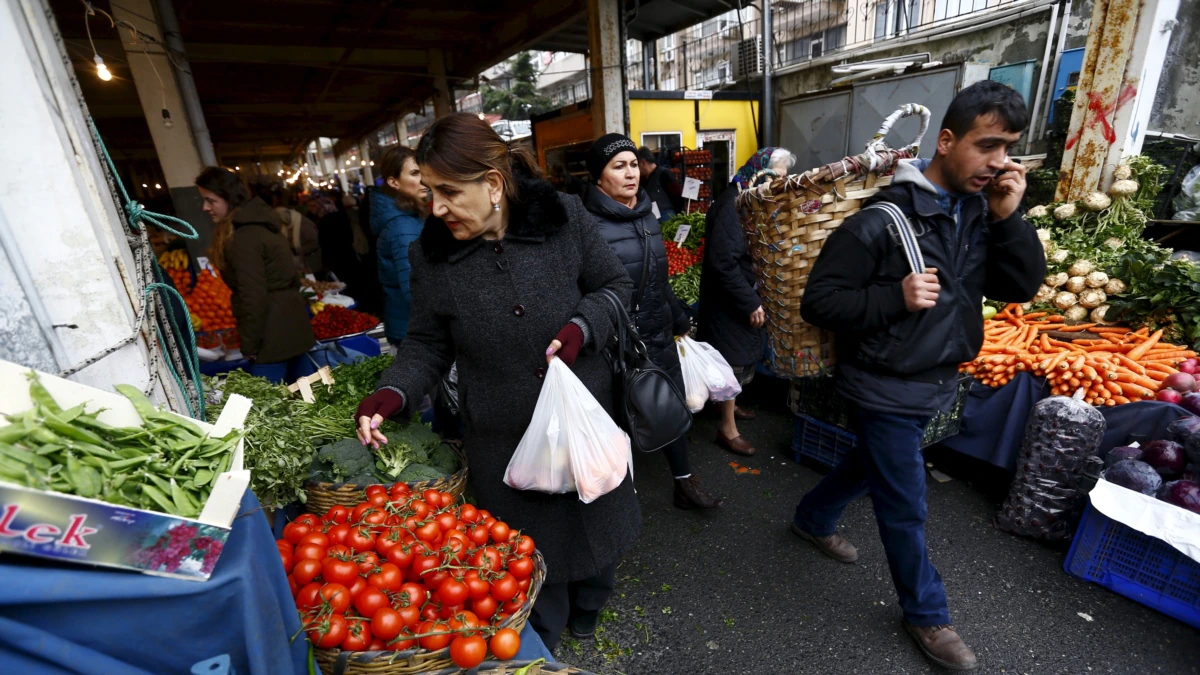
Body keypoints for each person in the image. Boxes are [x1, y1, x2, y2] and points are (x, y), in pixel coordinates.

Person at [352, 113, 639, 652]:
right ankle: (545, 637)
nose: (435, 208)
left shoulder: (564, 219)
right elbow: (427, 344)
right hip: (504, 433)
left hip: (583, 417)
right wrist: (394, 392)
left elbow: (614, 285)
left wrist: (582, 327)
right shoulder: (432, 256)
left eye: (448, 192)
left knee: (597, 522)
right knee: (532, 555)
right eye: (429, 191)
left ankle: (593, 604)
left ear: (492, 183)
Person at [790, 81, 1045, 671]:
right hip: (883, 381)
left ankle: (811, 518)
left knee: (873, 464)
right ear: (947, 140)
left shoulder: (980, 213)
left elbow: (1019, 289)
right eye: (987, 146)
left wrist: (1011, 219)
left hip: (937, 377)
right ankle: (927, 615)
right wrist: (894, 299)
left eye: (1007, 148)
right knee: (905, 502)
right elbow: (820, 303)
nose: (999, 162)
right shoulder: (880, 220)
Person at [583, 133, 723, 511]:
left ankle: (684, 482)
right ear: (599, 177)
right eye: (618, 166)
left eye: (633, 164)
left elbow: (657, 277)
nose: (630, 173)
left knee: (668, 406)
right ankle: (618, 502)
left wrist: (678, 318)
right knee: (619, 418)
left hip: (657, 332)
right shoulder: (586, 225)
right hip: (617, 342)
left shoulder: (646, 212)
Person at [698, 147, 795, 456]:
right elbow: (723, 263)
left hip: (739, 293)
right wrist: (750, 302)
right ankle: (727, 429)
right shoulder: (731, 205)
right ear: (758, 170)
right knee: (732, 361)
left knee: (739, 357)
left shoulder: (748, 200)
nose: (776, 183)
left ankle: (730, 406)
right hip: (728, 300)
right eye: (773, 176)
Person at [195, 167, 316, 383]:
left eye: (210, 201)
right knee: (310, 394)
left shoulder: (243, 238)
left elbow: (252, 295)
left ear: (228, 198)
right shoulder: (261, 225)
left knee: (266, 407)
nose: (205, 207)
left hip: (272, 335)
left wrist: (250, 345)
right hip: (290, 324)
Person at [370, 145, 427, 346]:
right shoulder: (402, 226)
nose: (424, 179)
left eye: (423, 170)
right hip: (415, 333)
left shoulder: (408, 218)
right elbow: (414, 287)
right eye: (414, 173)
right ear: (394, 182)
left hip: (408, 327)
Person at [636, 146, 685, 222]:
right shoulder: (642, 179)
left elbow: (677, 195)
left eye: (637, 165)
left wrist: (677, 214)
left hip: (667, 218)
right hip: (651, 218)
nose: (637, 169)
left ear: (643, 162)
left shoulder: (664, 174)